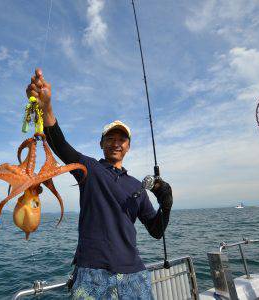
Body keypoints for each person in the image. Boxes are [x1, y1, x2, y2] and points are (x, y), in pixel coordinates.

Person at [26, 68, 173, 300]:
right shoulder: (90, 168)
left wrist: (166, 203)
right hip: (91, 274)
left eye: (121, 140)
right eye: (110, 139)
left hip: (134, 274)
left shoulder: (137, 186)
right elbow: (61, 145)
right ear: (101, 144)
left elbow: (156, 231)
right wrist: (46, 108)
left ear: (128, 146)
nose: (116, 144)